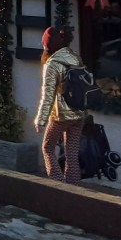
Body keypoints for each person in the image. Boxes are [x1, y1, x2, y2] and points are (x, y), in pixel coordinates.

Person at [34, 26, 89, 184]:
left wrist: (41, 120)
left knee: (47, 148)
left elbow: (48, 95)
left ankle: (58, 188)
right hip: (79, 113)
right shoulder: (75, 57)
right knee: (72, 155)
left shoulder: (52, 64)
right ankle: (73, 191)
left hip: (61, 116)